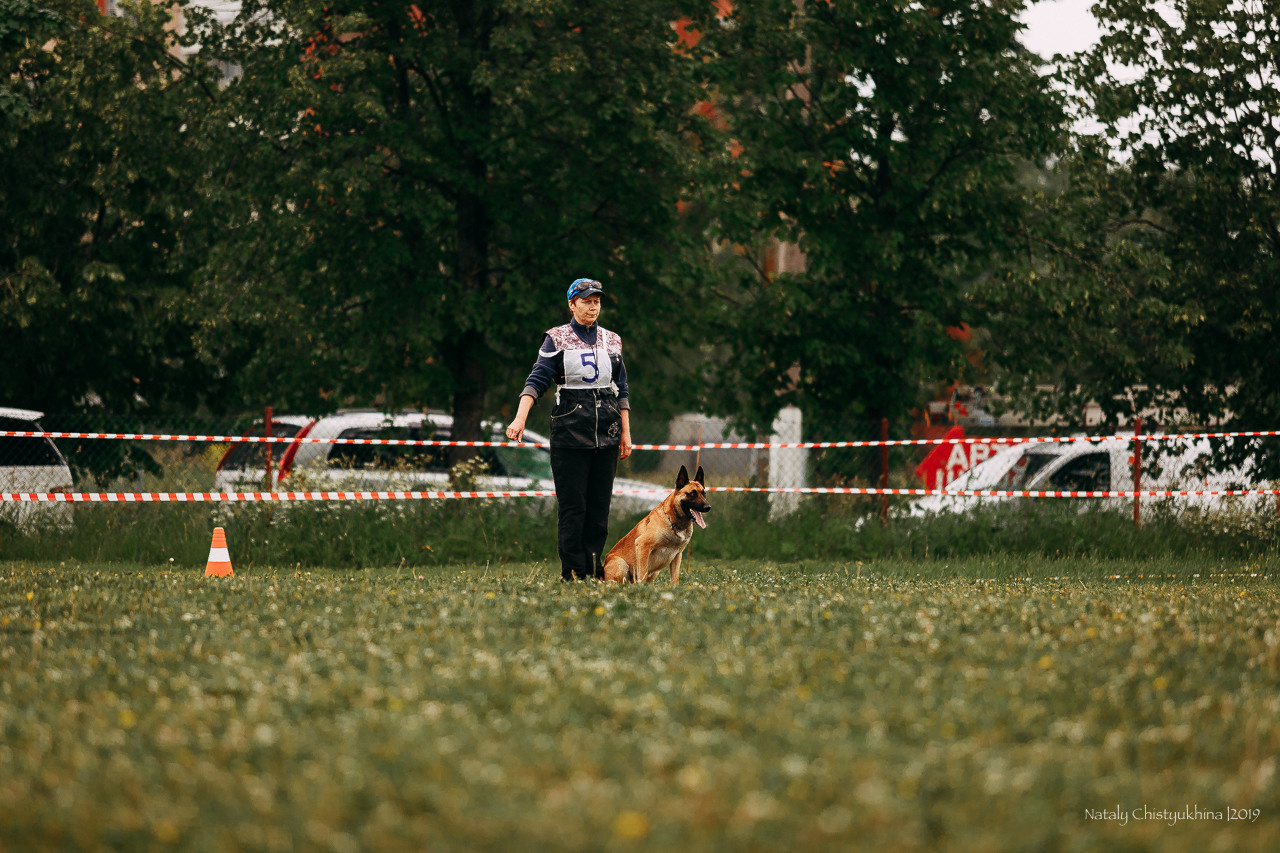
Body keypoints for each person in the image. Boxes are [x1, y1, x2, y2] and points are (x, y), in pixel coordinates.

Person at [506, 278, 633, 581]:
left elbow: (621, 389)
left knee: (599, 510)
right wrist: (520, 418)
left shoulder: (612, 340)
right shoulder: (556, 338)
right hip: (569, 436)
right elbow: (537, 380)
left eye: (597, 301)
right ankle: (573, 571)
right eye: (587, 301)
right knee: (574, 508)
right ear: (572, 304)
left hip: (607, 435)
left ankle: (593, 569)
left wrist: (626, 433)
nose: (593, 306)